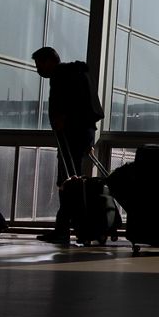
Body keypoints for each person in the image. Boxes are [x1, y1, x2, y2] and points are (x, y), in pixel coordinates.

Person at [32, 46, 104, 245]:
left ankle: (65, 229)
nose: (38, 69)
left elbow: (65, 105)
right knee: (72, 182)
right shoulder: (76, 73)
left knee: (67, 183)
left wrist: (62, 120)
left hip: (71, 134)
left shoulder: (61, 76)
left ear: (49, 61)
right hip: (84, 133)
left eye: (39, 64)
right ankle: (74, 228)